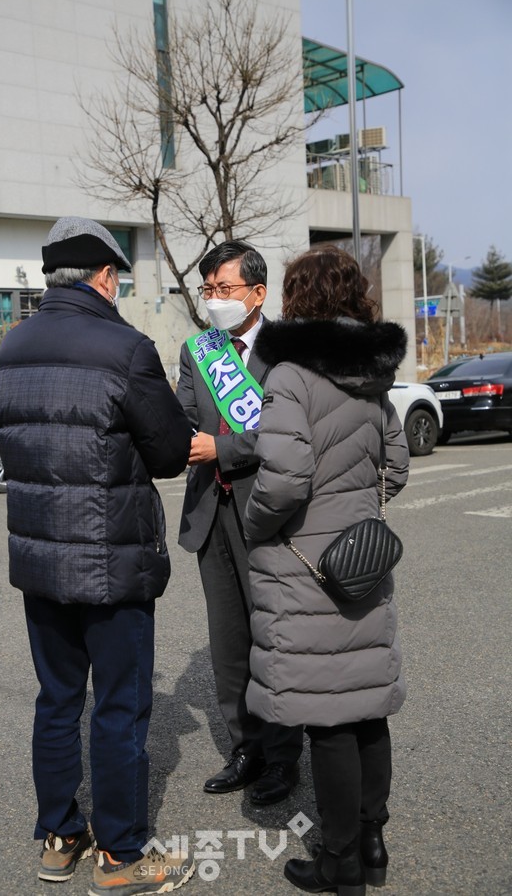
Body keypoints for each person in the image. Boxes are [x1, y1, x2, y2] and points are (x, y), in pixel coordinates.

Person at [0, 217, 194, 896]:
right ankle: (121, 855)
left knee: (56, 699)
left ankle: (59, 836)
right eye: (118, 278)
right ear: (105, 276)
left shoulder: (13, 346)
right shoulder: (125, 348)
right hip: (111, 560)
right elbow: (169, 451)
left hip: (40, 558)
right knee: (118, 707)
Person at [243, 245, 410, 895]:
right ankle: (372, 844)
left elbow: (284, 480)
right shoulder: (372, 373)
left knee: (330, 720)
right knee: (367, 710)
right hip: (361, 563)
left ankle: (340, 864)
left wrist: (257, 526)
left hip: (305, 567)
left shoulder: (289, 375)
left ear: (297, 298)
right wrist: (360, 513)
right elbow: (396, 466)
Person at [176, 240, 302, 804]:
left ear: (257, 293)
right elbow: (183, 416)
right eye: (208, 289)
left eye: (224, 288)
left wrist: (222, 448)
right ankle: (245, 748)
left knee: (272, 637)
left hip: (267, 513)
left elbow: (288, 432)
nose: (214, 300)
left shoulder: (287, 352)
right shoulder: (198, 351)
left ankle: (283, 756)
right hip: (211, 510)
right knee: (227, 642)